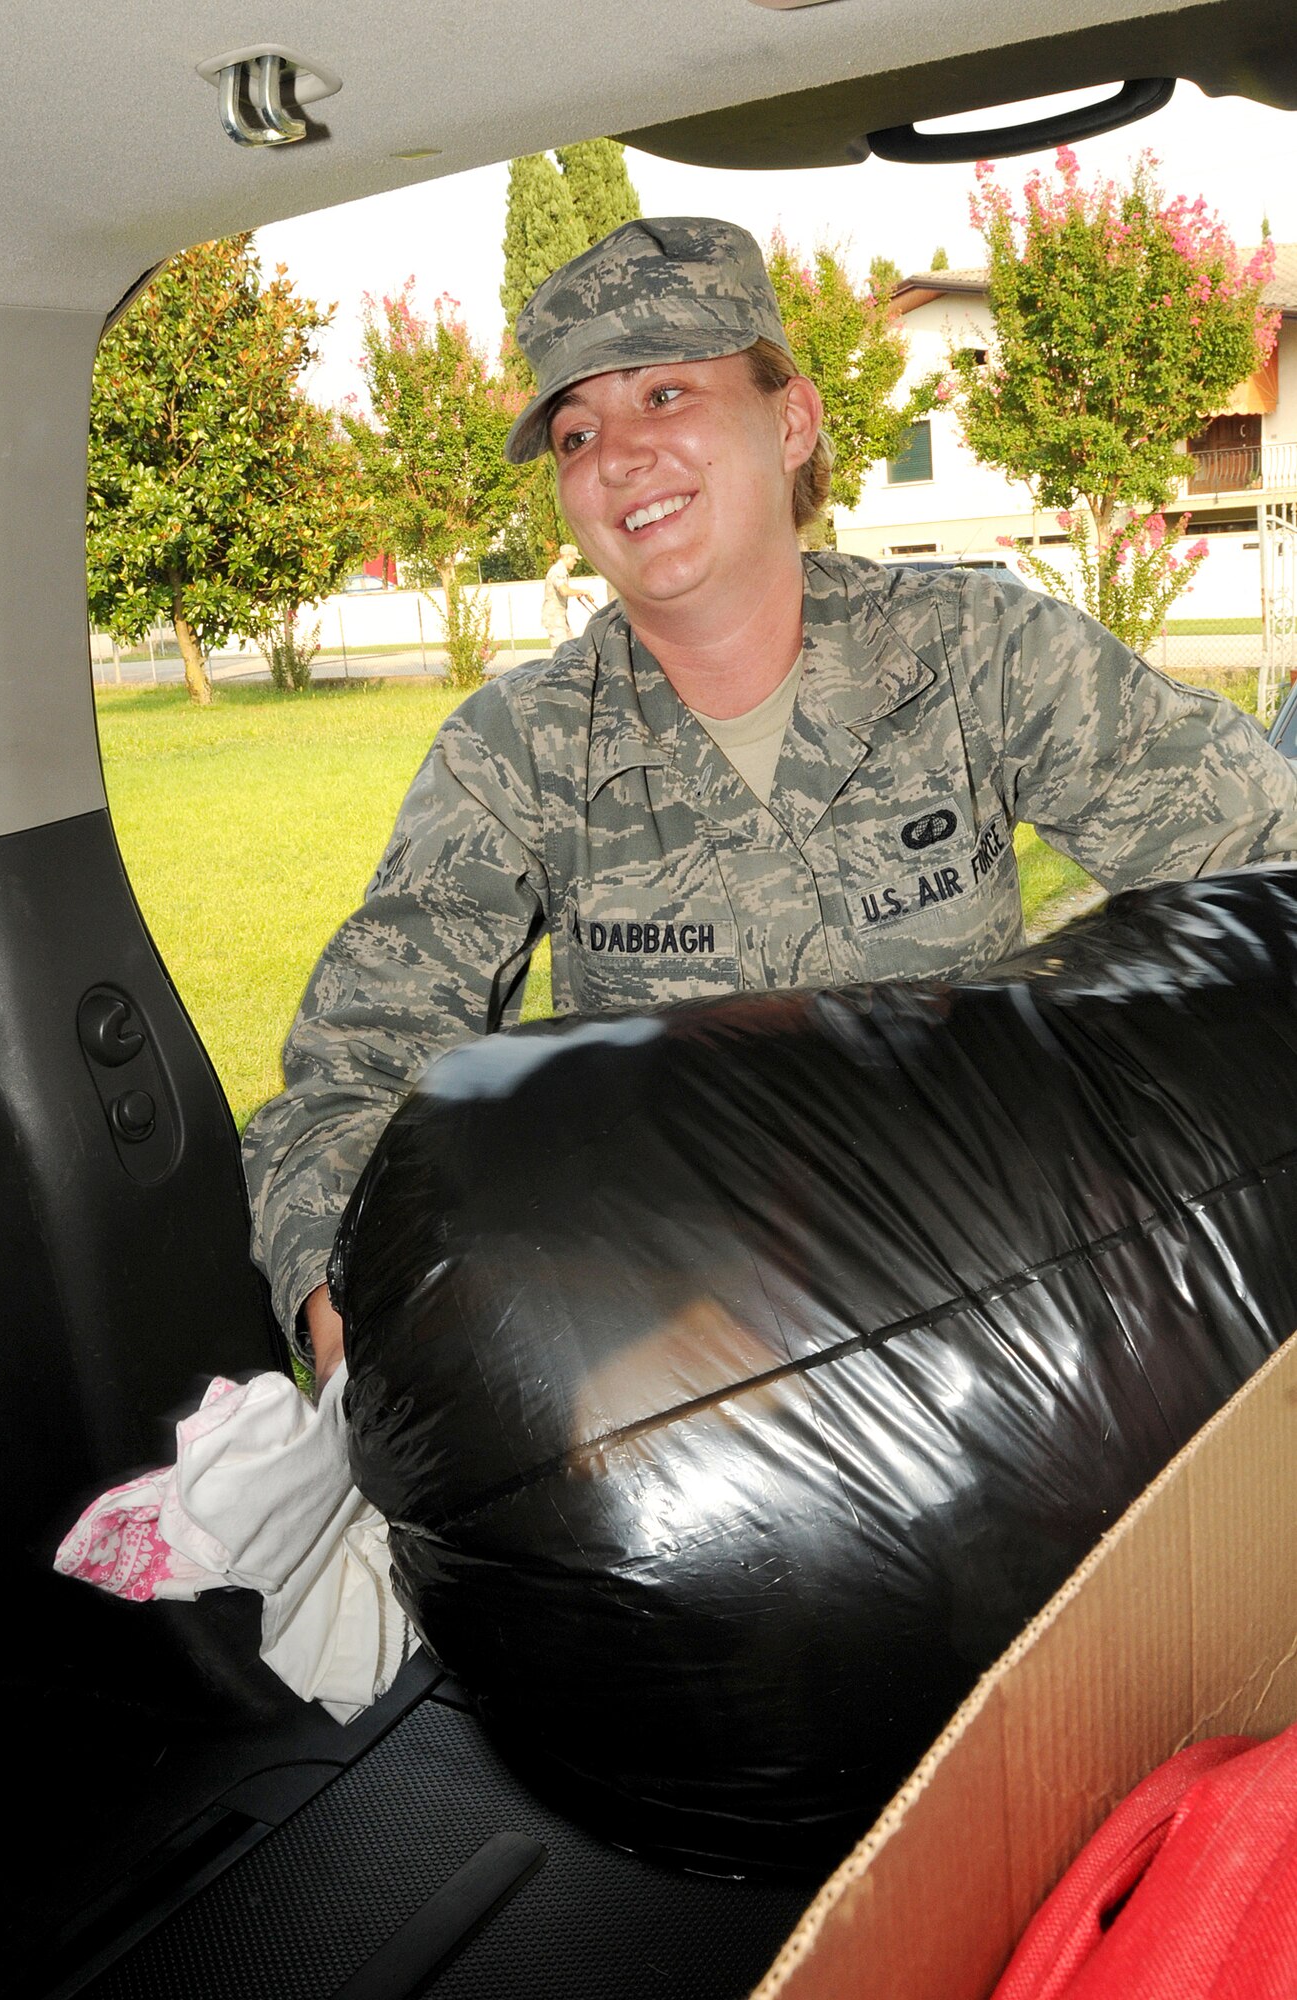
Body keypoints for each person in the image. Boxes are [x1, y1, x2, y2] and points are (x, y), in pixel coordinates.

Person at [242, 216, 1297, 1389]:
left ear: (790, 418)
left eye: (662, 395)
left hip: (997, 1303)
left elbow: (1261, 863)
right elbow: (359, 1063)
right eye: (577, 430)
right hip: (676, 1354)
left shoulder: (980, 653)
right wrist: (345, 1305)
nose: (617, 455)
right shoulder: (518, 748)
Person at [540, 542, 596, 650]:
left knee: (570, 648)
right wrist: (582, 591)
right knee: (560, 651)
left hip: (560, 616)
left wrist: (577, 593)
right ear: (567, 557)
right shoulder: (557, 571)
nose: (575, 562)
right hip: (554, 617)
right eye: (574, 559)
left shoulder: (560, 570)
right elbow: (563, 591)